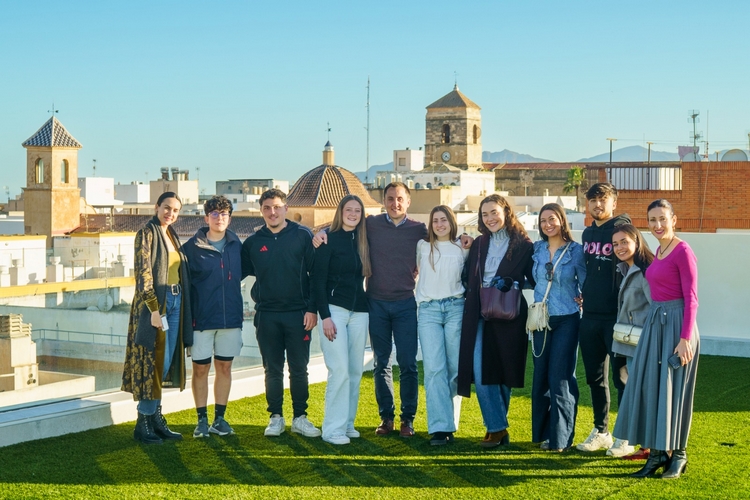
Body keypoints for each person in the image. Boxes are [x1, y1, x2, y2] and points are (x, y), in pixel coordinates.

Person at [313, 183, 471, 437]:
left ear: (408, 202)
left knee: (408, 363)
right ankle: (386, 418)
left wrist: (464, 237)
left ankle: (407, 419)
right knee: (381, 363)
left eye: (399, 199)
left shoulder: (418, 230)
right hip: (374, 304)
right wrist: (321, 232)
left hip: (406, 304)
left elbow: (444, 236)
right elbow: (343, 225)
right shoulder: (371, 224)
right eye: (390, 199)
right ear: (384, 201)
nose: (394, 203)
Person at [614, 199, 699, 479]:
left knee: (676, 390)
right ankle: (658, 454)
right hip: (655, 324)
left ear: (674, 219)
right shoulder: (660, 251)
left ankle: (679, 455)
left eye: (662, 218)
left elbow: (691, 298)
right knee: (652, 387)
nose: (657, 225)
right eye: (652, 220)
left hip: (677, 325)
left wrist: (685, 339)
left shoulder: (683, 251)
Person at [240, 188, 320, 438]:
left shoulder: (303, 235)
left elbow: (316, 275)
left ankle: (300, 417)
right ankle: (275, 417)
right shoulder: (253, 242)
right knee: (272, 369)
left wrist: (312, 309)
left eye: (276, 207)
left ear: (286, 208)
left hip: (299, 315)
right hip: (267, 316)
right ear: (261, 211)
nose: (272, 212)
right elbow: (235, 274)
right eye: (267, 208)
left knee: (299, 369)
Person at [457, 194, 534, 448]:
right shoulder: (479, 243)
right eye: (485, 214)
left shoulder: (523, 244)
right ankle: (497, 427)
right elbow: (467, 274)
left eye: (494, 212)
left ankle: (498, 429)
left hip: (509, 313)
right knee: (481, 370)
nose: (490, 218)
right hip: (479, 313)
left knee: (503, 372)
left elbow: (534, 278)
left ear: (506, 213)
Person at [122, 191, 193, 444]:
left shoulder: (171, 235)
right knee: (153, 363)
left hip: (176, 301)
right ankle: (143, 421)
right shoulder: (147, 233)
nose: (170, 213)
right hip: (156, 306)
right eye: (167, 208)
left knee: (165, 361)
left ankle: (155, 419)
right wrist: (153, 309)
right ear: (156, 207)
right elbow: (143, 274)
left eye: (175, 210)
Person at [576, 183, 632, 454]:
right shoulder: (587, 233)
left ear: (614, 203)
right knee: (595, 378)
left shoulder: (624, 230)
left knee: (622, 378)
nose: (598, 205)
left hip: (616, 317)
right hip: (589, 316)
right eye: (593, 200)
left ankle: (626, 436)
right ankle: (602, 431)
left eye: (603, 200)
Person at [182, 195, 244, 438]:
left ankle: (219, 420)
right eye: (215, 214)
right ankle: (201, 420)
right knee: (200, 370)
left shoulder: (238, 246)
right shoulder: (191, 248)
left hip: (230, 320)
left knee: (225, 368)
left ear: (230, 218)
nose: (220, 218)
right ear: (206, 218)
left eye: (224, 214)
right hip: (201, 321)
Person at [313, 195, 371, 445]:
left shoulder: (364, 240)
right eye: (349, 209)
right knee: (339, 370)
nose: (353, 214)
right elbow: (317, 281)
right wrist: (325, 316)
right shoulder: (328, 239)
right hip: (334, 311)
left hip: (360, 312)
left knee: (355, 371)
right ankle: (332, 430)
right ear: (340, 212)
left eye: (358, 210)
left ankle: (347, 423)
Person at [530, 203, 586, 452]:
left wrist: (585, 297)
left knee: (560, 378)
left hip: (567, 319)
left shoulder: (576, 251)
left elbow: (585, 281)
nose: (548, 224)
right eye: (543, 220)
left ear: (562, 220)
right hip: (541, 320)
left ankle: (561, 439)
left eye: (552, 219)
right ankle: (545, 434)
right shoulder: (536, 249)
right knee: (541, 377)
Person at [416, 205, 469, 446]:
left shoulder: (462, 247)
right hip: (428, 311)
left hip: (456, 308)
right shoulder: (422, 246)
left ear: (452, 222)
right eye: (435, 220)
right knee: (434, 369)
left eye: (444, 220)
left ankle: (450, 423)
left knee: (455, 369)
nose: (439, 224)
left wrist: (468, 238)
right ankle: (439, 428)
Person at [609, 223, 654, 458]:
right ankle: (646, 447)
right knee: (638, 393)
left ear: (636, 241)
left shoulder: (647, 271)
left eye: (624, 242)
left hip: (644, 344)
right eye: (615, 244)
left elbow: (656, 308)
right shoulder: (626, 269)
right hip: (631, 343)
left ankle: (651, 448)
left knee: (645, 394)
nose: (619, 247)